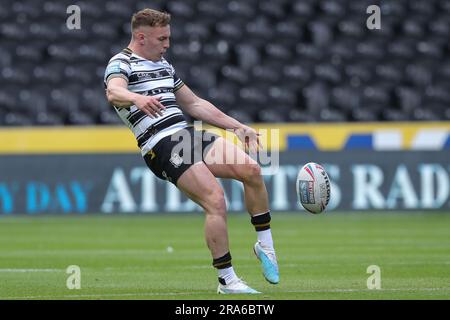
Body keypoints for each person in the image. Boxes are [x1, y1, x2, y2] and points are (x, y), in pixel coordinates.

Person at [104, 8, 279, 294]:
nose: (167, 44)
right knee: (215, 200)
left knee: (252, 170)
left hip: (186, 135)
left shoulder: (164, 65)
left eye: (168, 38)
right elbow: (114, 92)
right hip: (160, 143)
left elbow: (195, 104)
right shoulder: (121, 62)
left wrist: (237, 127)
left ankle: (266, 247)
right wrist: (137, 98)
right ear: (141, 36)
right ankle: (227, 280)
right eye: (162, 38)